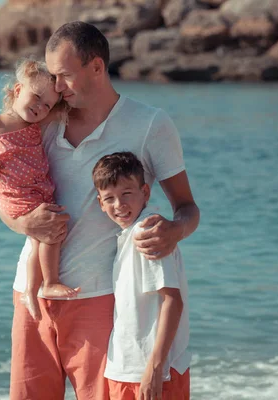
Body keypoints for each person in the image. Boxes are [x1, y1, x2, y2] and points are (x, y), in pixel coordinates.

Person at [0, 21, 200, 400]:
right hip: (32, 295)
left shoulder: (150, 124)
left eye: (63, 76)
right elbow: (9, 203)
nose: (55, 87)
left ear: (96, 67)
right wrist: (22, 221)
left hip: (99, 299)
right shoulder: (43, 120)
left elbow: (188, 208)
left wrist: (174, 231)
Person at [0, 58, 79, 321]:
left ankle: (33, 291)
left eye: (46, 104)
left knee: (46, 236)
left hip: (38, 192)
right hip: (16, 195)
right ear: (17, 90)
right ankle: (46, 284)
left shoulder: (36, 125)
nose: (39, 107)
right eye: (35, 97)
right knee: (48, 235)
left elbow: (72, 106)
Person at [93, 152, 190, 400]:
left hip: (152, 373)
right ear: (100, 204)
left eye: (127, 194)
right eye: (109, 198)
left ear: (145, 193)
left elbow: (172, 300)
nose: (119, 205)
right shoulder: (126, 236)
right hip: (125, 369)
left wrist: (154, 369)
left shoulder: (148, 232)